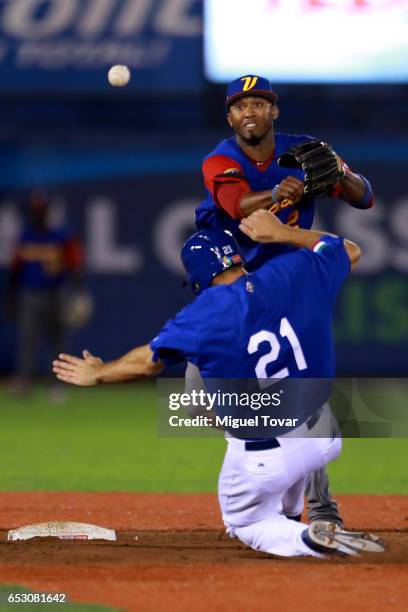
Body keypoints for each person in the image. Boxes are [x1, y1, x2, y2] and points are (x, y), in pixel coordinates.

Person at [52, 212, 383, 557]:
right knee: (286, 440)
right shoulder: (292, 273)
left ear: (197, 278)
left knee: (247, 522)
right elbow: (348, 250)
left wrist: (99, 372)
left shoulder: (206, 312)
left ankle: (310, 540)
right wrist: (284, 232)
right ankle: (294, 519)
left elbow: (146, 363)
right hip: (324, 433)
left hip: (268, 452)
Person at [189, 74, 375, 528]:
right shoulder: (221, 159)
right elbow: (237, 207)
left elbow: (364, 197)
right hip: (236, 283)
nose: (249, 111)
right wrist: (276, 193)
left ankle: (318, 502)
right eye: (240, 105)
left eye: (259, 103)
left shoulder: (302, 151)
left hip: (291, 281)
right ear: (230, 116)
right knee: (198, 402)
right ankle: (274, 470)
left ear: (274, 111)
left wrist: (341, 173)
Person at [4, 191, 85, 399]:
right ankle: (24, 383)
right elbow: (16, 270)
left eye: (41, 210)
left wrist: (77, 292)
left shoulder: (61, 236)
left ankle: (57, 386)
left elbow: (75, 264)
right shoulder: (25, 236)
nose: (38, 214)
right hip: (30, 294)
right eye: (35, 210)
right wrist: (11, 296)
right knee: (27, 341)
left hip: (55, 293)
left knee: (57, 344)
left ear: (47, 211)